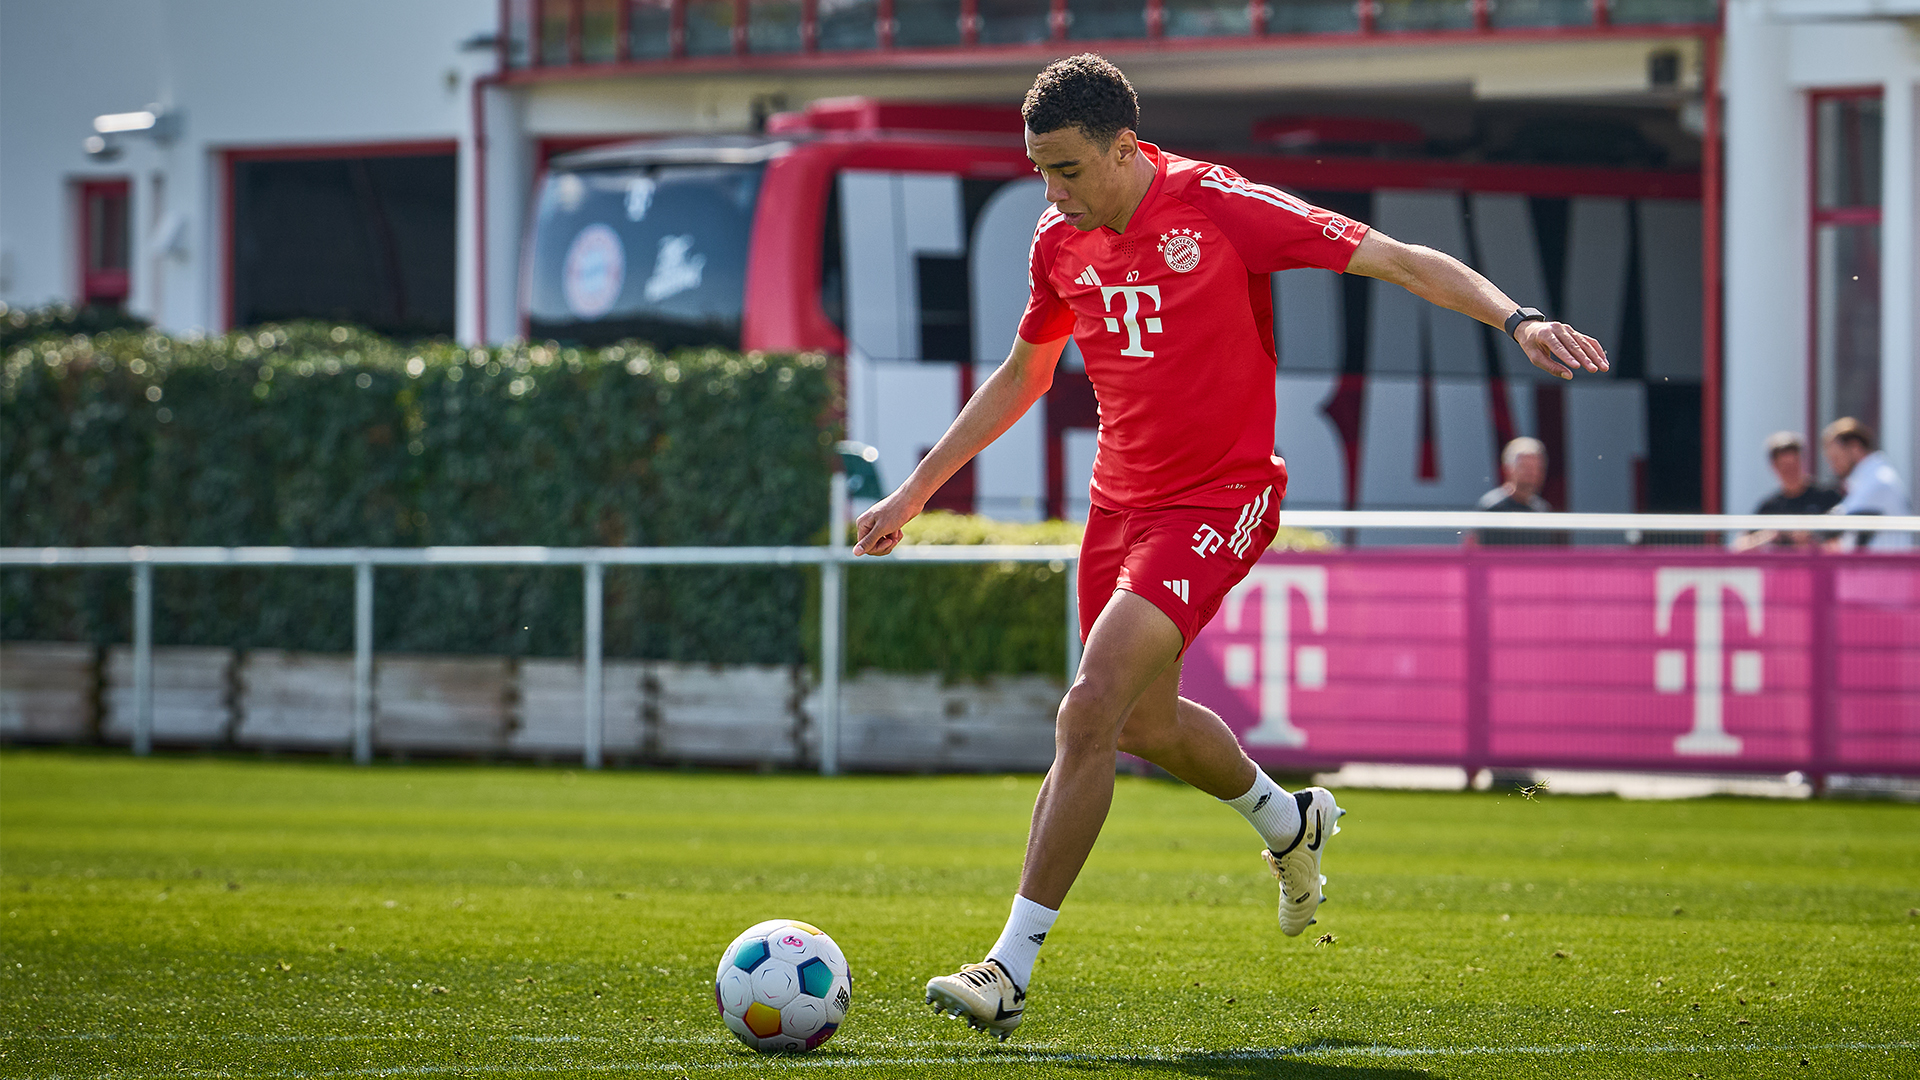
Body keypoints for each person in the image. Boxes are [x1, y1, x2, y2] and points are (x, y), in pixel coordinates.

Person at [851, 54, 1610, 1042]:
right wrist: (915, 490)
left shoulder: (1219, 206)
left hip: (1222, 495)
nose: (1051, 190)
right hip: (1117, 510)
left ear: (1126, 149)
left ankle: (1008, 969)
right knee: (1139, 724)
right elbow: (1023, 375)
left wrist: (1516, 315)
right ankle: (1287, 822)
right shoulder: (1057, 242)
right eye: (1038, 170)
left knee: (1086, 712)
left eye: (1068, 169)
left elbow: (1397, 257)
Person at [1730, 431, 1841, 552]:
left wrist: (1812, 539)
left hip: (1818, 569)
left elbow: (1845, 542)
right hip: (1780, 569)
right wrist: (1769, 535)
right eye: (1784, 466)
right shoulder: (1769, 507)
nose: (1790, 471)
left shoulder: (1827, 497)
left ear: (1802, 461)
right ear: (1774, 467)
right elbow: (1739, 547)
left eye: (1794, 464)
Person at [1821, 418, 1913, 551]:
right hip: (1879, 568)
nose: (1833, 467)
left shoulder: (1879, 480)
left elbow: (1835, 525)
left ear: (1855, 447)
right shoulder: (1869, 479)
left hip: (1885, 569)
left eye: (1836, 458)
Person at [1475, 437, 1553, 546]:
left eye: (1537, 468)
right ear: (1508, 469)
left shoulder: (1542, 510)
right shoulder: (1491, 508)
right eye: (1525, 467)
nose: (1532, 474)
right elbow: (1474, 553)